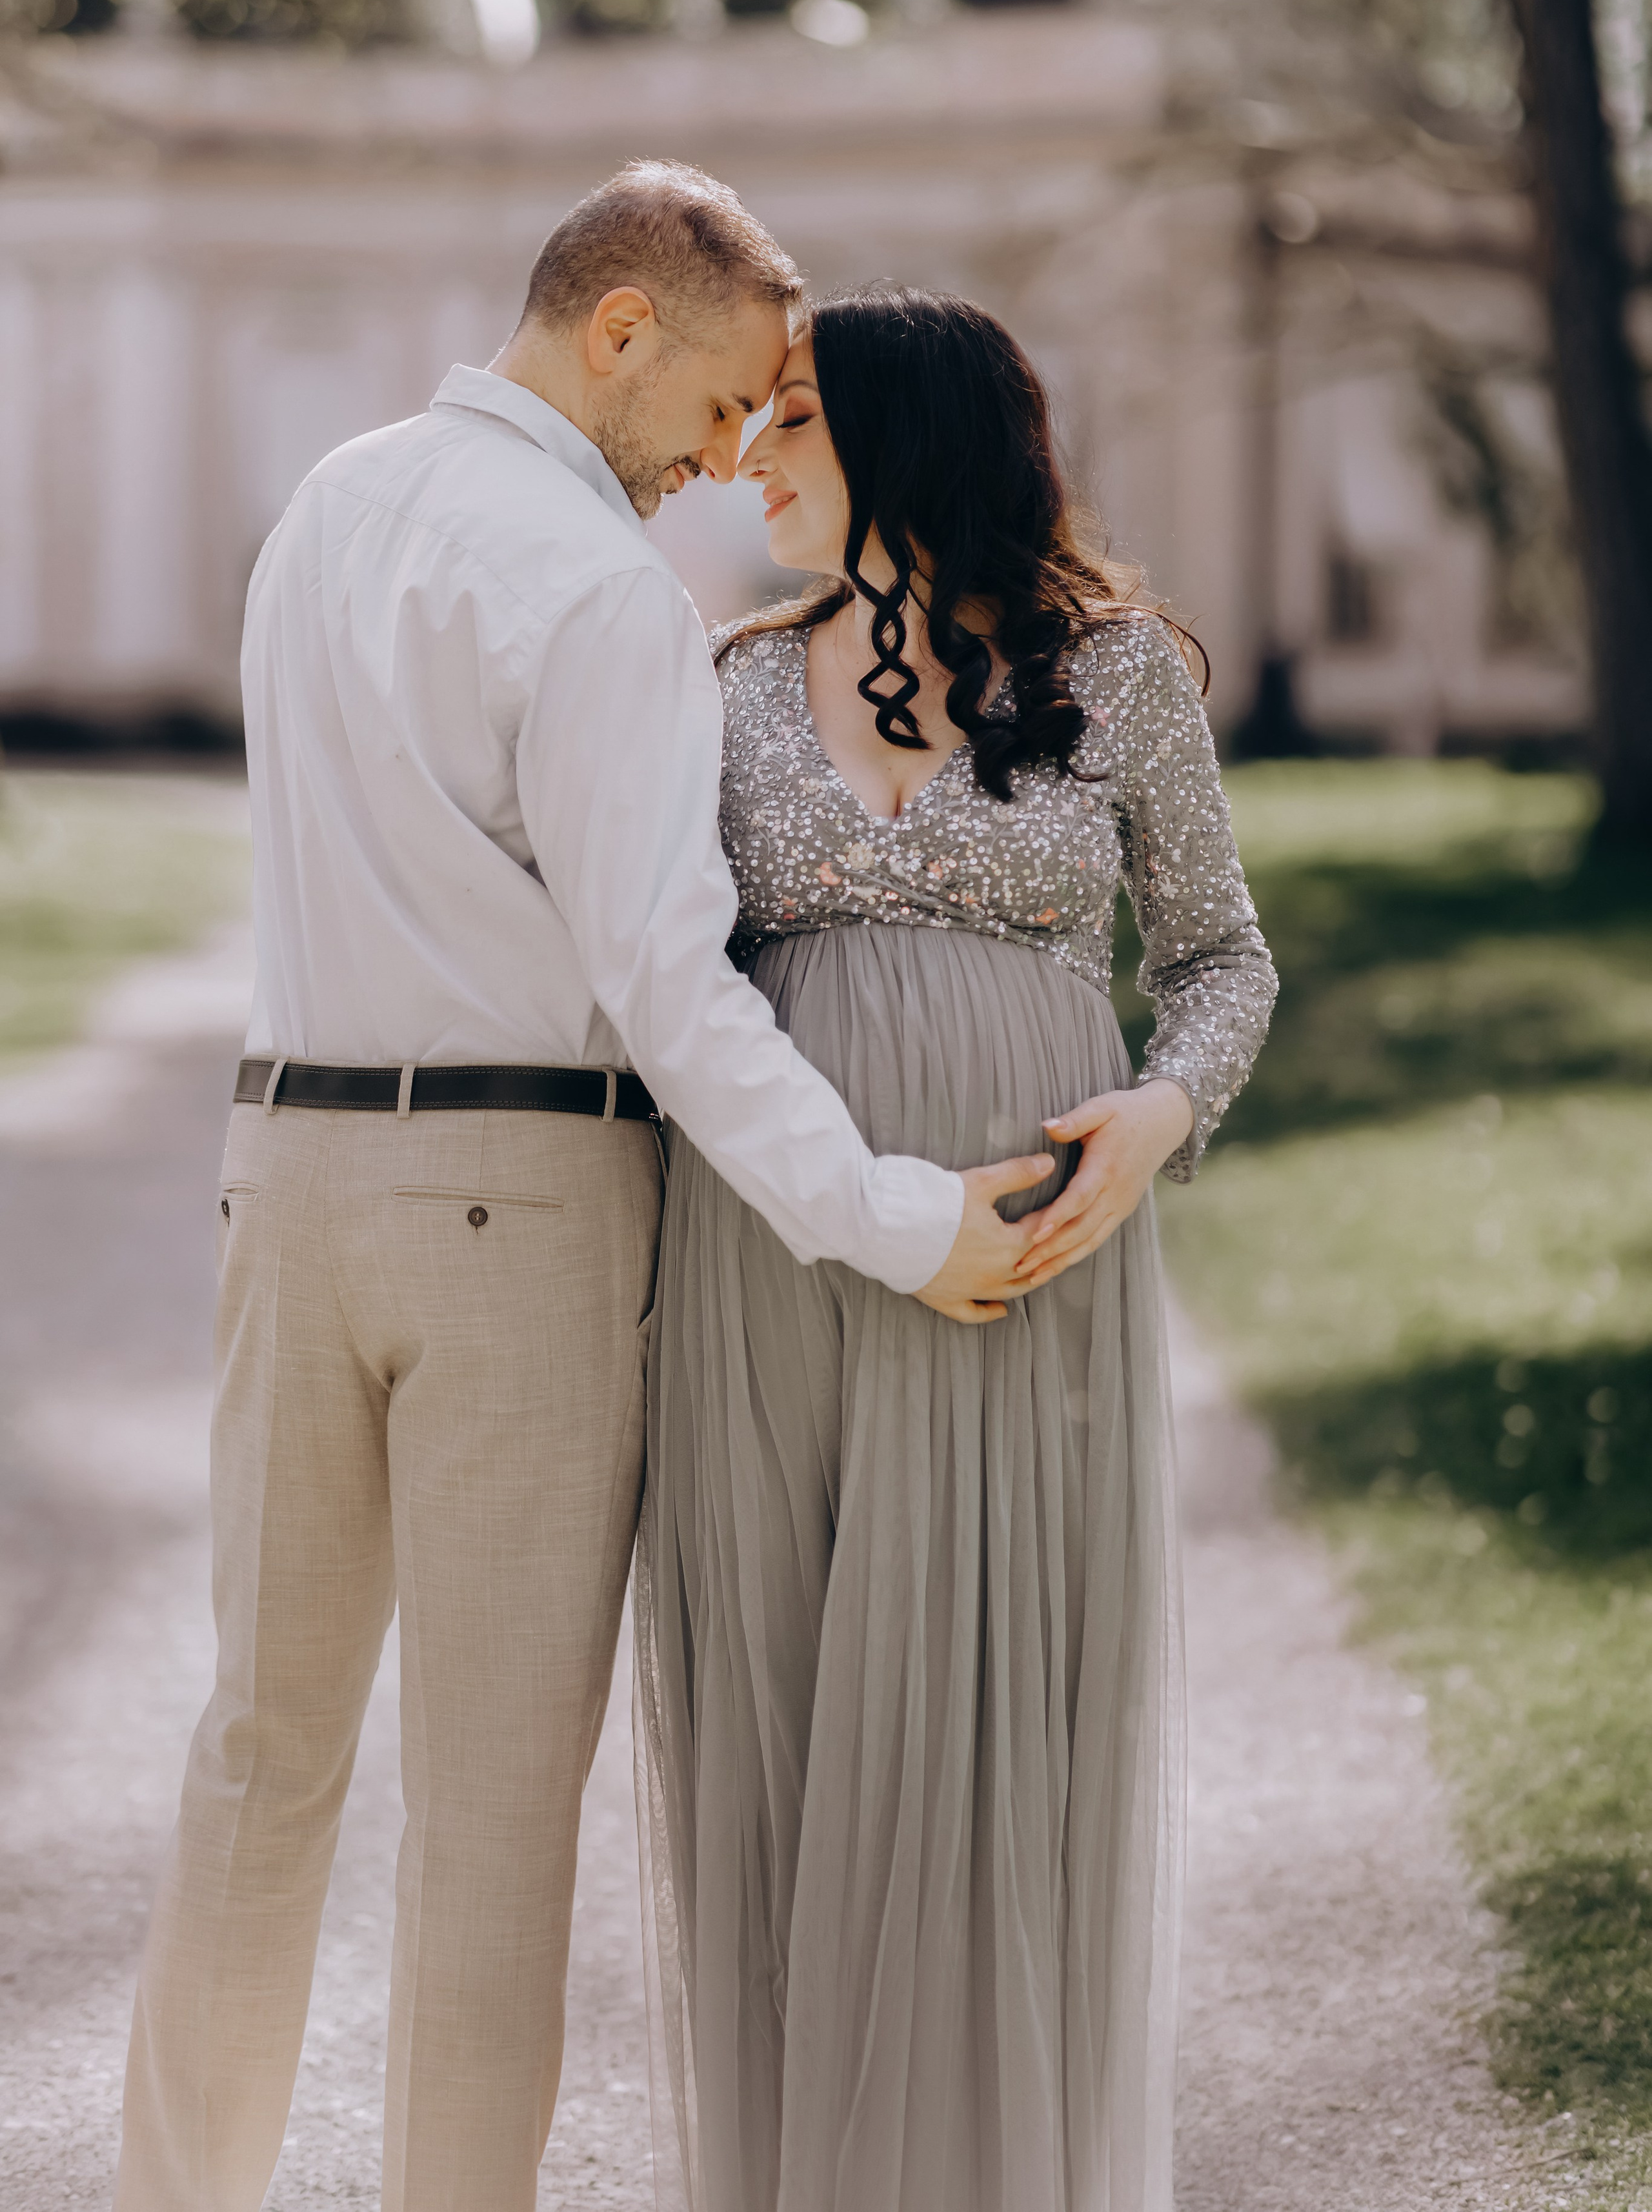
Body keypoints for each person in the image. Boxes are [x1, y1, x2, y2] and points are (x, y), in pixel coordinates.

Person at [113, 172, 1092, 2212]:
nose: (733, 462)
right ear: (622, 329)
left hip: (284, 1180)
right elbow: (669, 994)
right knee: (483, 1827)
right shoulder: (597, 594)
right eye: (723, 403)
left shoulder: (327, 508)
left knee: (257, 1763)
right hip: (521, 1216)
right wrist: (902, 1217)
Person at [634, 286, 1278, 2212]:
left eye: (801, 419)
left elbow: (1227, 958)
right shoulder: (727, 680)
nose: (752, 451)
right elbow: (674, 985)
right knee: (786, 1741)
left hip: (1030, 1286)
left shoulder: (1122, 674)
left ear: (913, 439)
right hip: (778, 1273)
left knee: (1003, 1758)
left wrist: (1163, 1117)